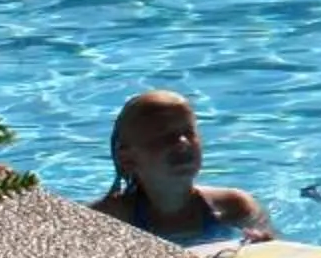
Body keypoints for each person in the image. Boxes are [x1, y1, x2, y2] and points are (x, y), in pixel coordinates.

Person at [89, 89, 276, 249]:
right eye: (164, 136)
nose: (182, 143)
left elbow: (281, 254)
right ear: (127, 157)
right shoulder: (105, 218)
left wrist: (266, 246)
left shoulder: (235, 207)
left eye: (188, 132)